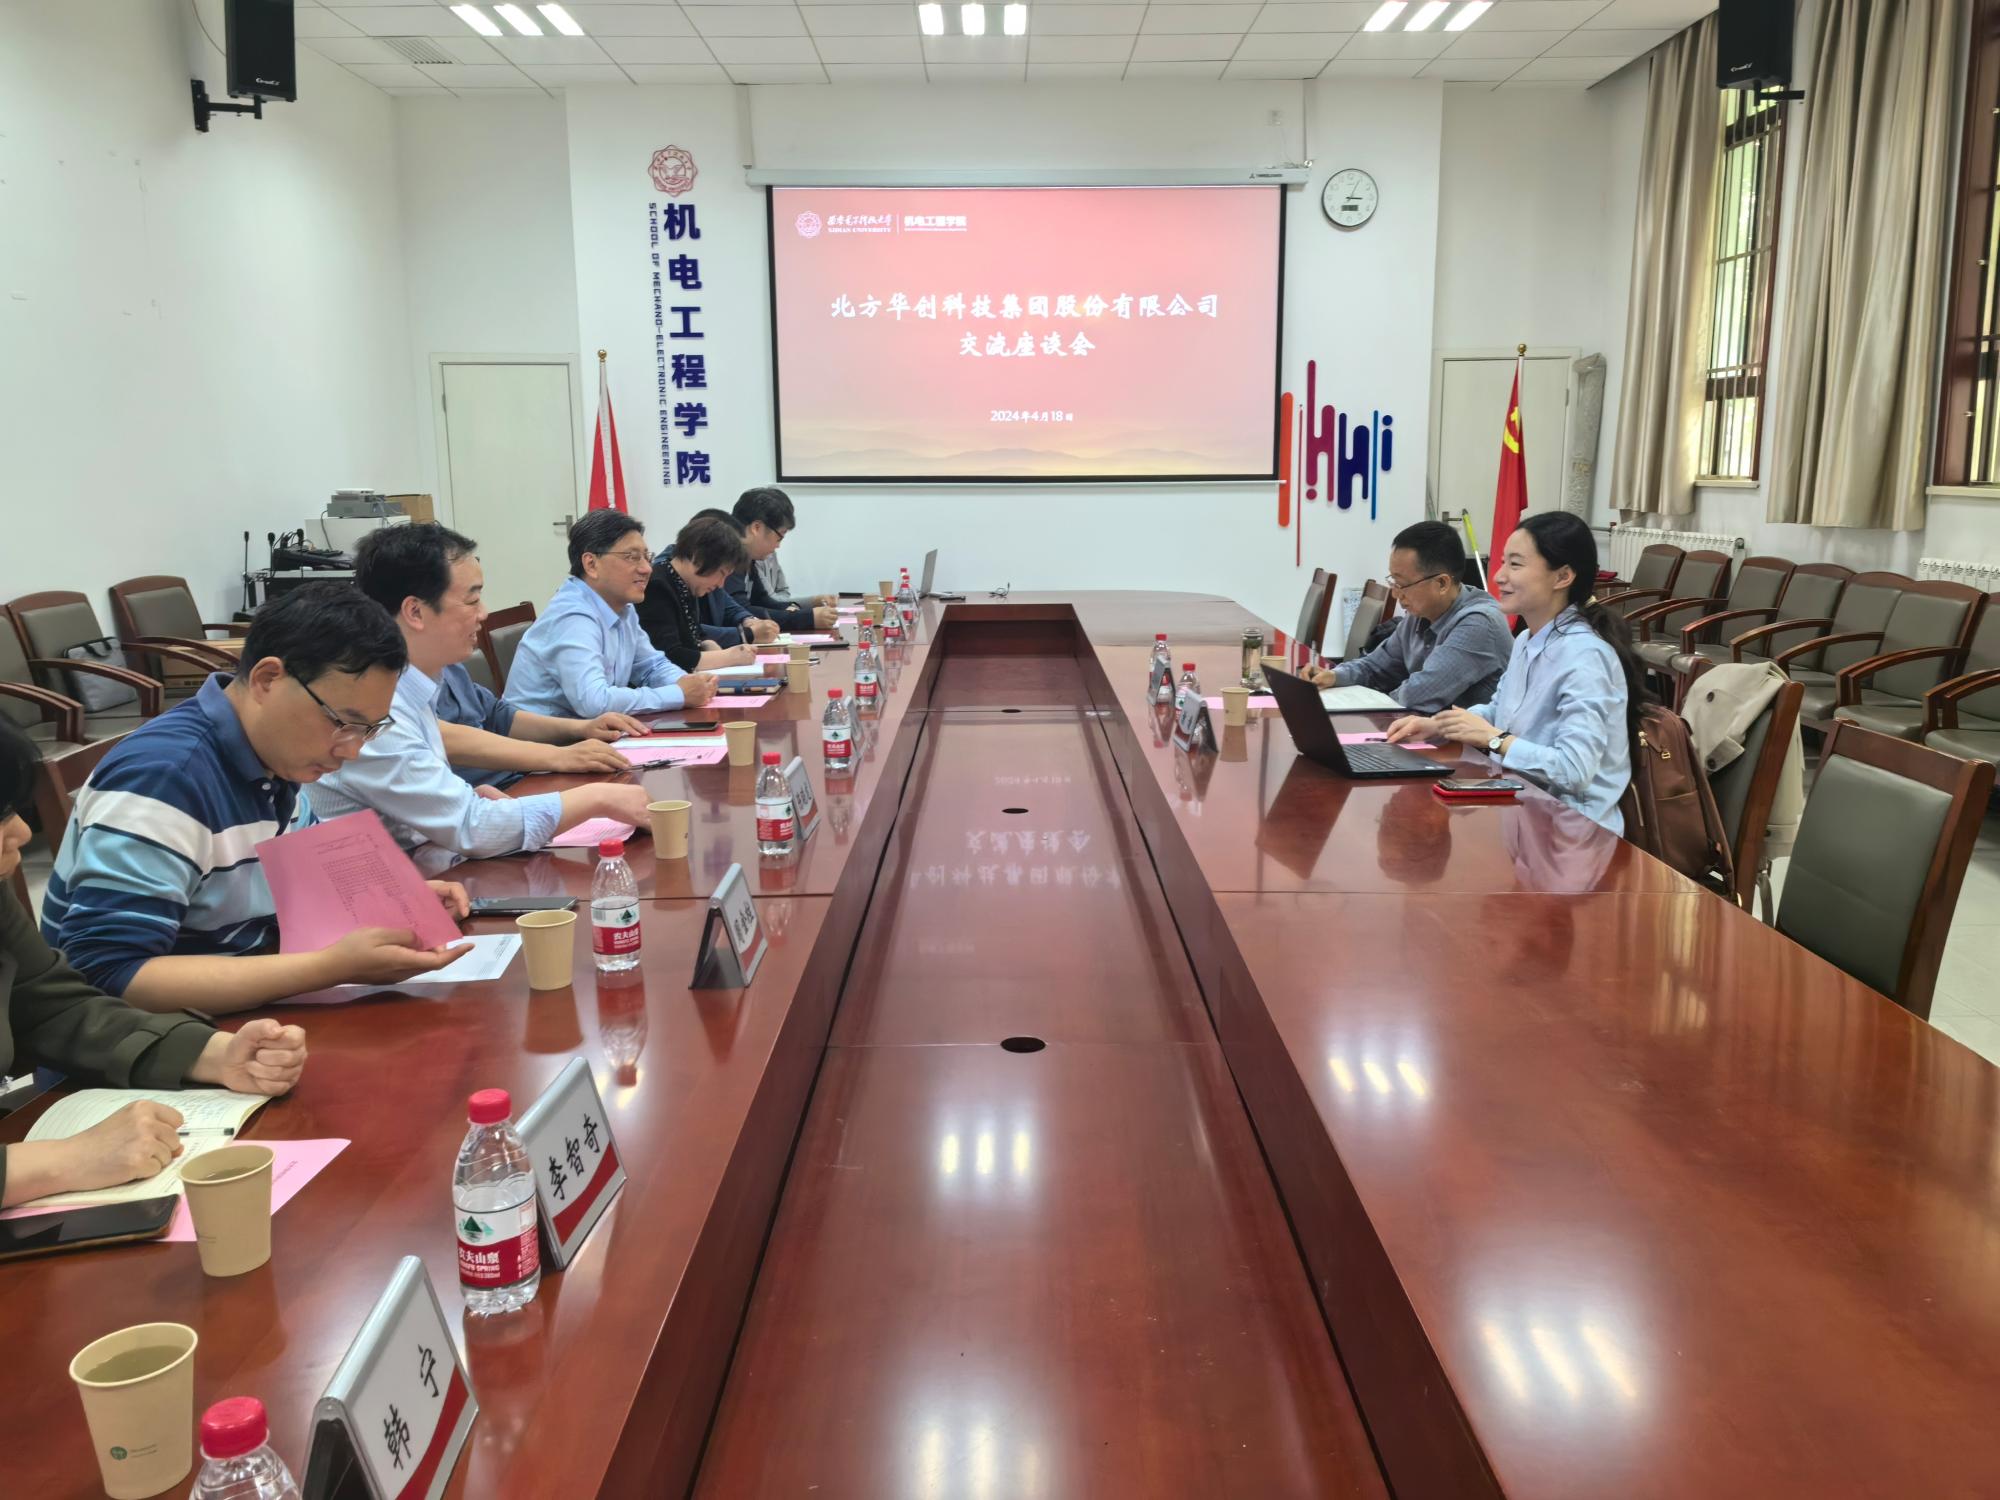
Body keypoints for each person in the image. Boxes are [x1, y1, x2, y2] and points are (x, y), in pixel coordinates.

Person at [41, 583, 471, 1015]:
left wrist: (398, 899)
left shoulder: (275, 757)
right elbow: (105, 974)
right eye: (343, 722)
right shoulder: (164, 778)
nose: (352, 749)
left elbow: (307, 878)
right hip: (154, 1038)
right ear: (268, 679)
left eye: (368, 730)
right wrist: (329, 968)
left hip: (245, 1001)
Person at [0, 719, 309, 1207]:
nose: (20, 831)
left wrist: (211, 1054)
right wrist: (59, 1162)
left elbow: (52, 1008)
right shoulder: (167, 773)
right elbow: (108, 966)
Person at [313, 523, 661, 869]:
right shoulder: (370, 709)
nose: (483, 614)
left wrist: (471, 802)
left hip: (429, 868)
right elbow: (471, 826)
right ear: (415, 612)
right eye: (472, 599)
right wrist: (599, 797)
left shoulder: (414, 685)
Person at [1386, 511, 1642, 833]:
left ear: (1562, 577)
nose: (1499, 576)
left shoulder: (1586, 656)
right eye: (1502, 562)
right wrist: (1440, 725)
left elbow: (1574, 770)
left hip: (1574, 832)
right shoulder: (1526, 639)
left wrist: (1494, 740)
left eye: (1515, 564)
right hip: (1523, 810)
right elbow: (1499, 709)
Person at [504, 512, 720, 719]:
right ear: (591, 564)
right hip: (543, 740)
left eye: (647, 557)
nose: (647, 568)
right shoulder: (572, 616)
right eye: (632, 557)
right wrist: (678, 694)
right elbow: (594, 702)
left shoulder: (622, 608)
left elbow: (651, 666)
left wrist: (690, 684)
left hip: (589, 733)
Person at [1307, 521, 1512, 713]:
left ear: (1442, 583)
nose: (1395, 594)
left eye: (1402, 584)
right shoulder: (1420, 612)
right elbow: (1376, 666)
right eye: (1393, 582)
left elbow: (1418, 695)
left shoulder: (1479, 623)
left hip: (1469, 739)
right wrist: (1334, 676)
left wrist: (1362, 704)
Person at [636, 514, 763, 671]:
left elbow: (695, 637)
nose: (721, 584)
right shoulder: (657, 586)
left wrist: (708, 644)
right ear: (698, 557)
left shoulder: (684, 584)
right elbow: (671, 655)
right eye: (721, 573)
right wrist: (730, 657)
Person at [709, 489, 840, 639]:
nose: (778, 546)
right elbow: (741, 611)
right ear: (757, 528)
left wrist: (799, 610)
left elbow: (762, 601)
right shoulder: (727, 554)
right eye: (780, 537)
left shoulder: (748, 556)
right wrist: (806, 618)